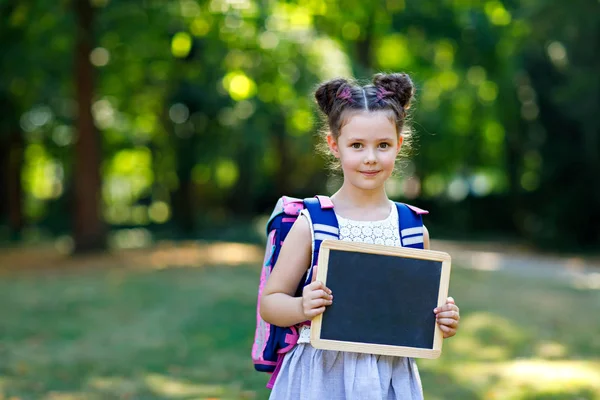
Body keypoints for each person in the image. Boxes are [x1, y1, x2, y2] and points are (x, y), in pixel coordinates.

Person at [259, 72, 460, 400]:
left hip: (389, 377)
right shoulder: (313, 222)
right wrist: (301, 306)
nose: (370, 157)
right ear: (334, 146)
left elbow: (417, 312)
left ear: (399, 144)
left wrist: (443, 320)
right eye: (357, 145)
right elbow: (271, 303)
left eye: (383, 145)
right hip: (319, 375)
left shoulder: (411, 229)